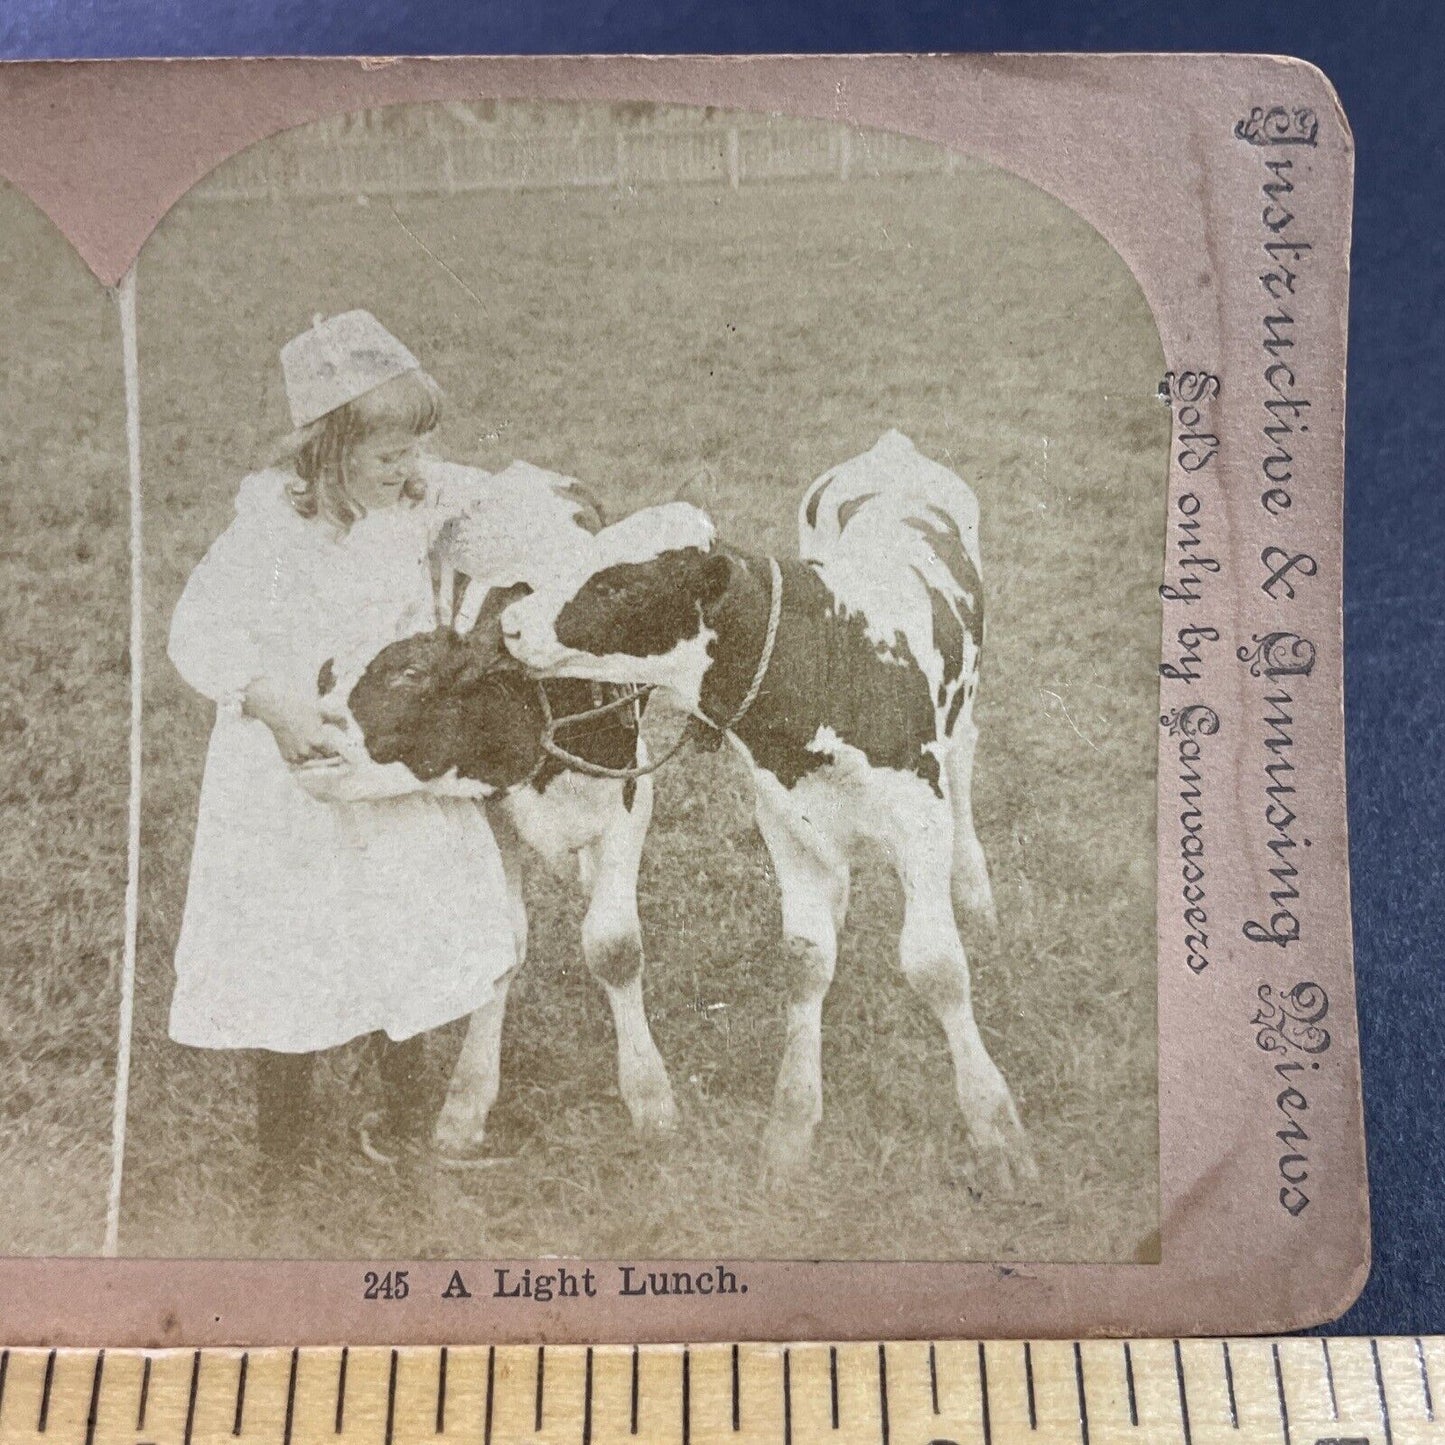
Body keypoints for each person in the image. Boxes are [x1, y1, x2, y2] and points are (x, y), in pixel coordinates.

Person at [166, 310, 515, 1205]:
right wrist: (268, 700)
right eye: (391, 452)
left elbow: (500, 504)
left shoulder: (411, 508)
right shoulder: (267, 536)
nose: (411, 468)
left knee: (404, 934)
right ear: (326, 452)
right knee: (289, 948)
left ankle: (406, 1130)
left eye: (416, 449)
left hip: (386, 765)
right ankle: (279, 1153)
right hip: (290, 781)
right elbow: (198, 629)